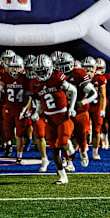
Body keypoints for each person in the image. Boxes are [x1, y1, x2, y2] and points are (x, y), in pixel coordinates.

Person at [28, 54, 77, 184]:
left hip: (62, 116)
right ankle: (63, 177)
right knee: (54, 150)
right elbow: (39, 103)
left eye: (43, 71)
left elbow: (73, 90)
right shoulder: (35, 83)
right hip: (49, 118)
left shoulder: (57, 77)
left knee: (62, 144)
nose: (41, 74)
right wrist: (37, 113)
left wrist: (71, 107)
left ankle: (71, 149)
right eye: (38, 72)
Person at [56, 52, 97, 169]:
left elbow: (94, 93)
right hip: (64, 110)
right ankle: (68, 160)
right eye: (59, 65)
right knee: (63, 137)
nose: (61, 68)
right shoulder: (56, 76)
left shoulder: (79, 74)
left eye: (64, 65)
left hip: (80, 110)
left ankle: (83, 152)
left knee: (81, 136)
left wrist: (82, 102)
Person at [0, 55, 30, 164]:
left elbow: (29, 96)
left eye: (16, 67)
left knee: (19, 134)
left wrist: (25, 109)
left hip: (20, 108)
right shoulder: (5, 77)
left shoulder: (25, 78)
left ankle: (19, 156)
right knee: (7, 132)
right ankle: (8, 144)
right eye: (12, 67)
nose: (14, 69)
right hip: (8, 107)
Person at [83, 57, 107, 160]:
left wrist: (103, 109)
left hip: (96, 106)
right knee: (83, 129)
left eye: (90, 67)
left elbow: (103, 96)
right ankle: (83, 148)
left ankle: (95, 151)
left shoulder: (99, 78)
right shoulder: (80, 77)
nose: (88, 70)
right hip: (85, 105)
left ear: (95, 67)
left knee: (97, 130)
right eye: (86, 67)